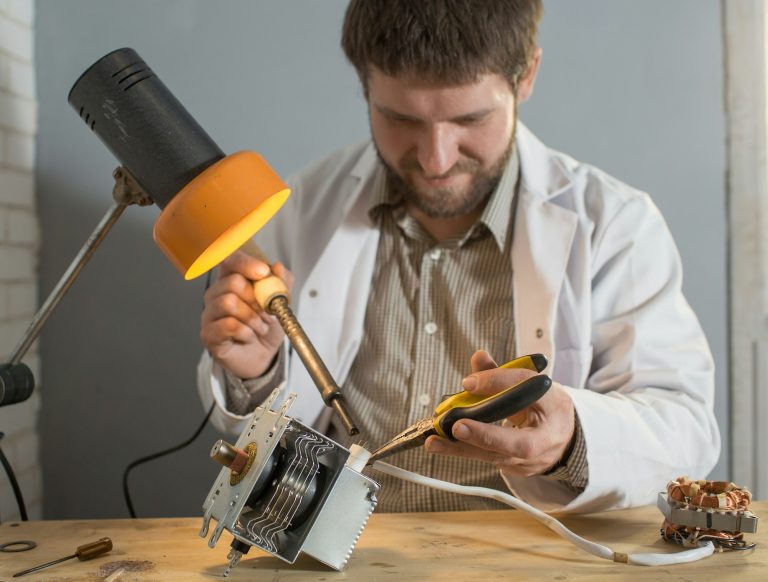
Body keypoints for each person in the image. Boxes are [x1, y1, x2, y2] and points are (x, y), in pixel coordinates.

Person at [197, 0, 720, 514]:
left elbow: (685, 429)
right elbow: (257, 435)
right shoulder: (305, 207)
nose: (436, 160)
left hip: (529, 554)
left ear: (526, 75)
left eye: (470, 119)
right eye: (400, 119)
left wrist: (571, 441)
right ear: (364, 85)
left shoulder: (614, 224)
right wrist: (258, 373)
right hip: (344, 550)